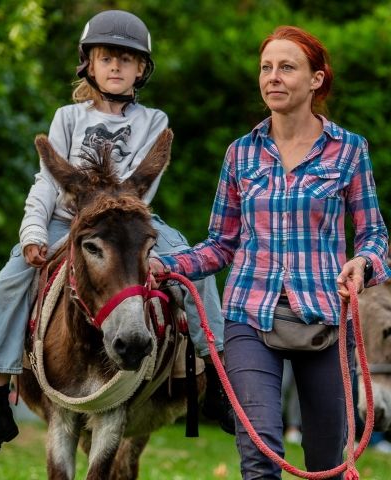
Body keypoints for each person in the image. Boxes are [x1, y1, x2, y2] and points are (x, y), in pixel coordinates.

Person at [0, 10, 231, 464]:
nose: (115, 67)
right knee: (7, 281)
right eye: (106, 58)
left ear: (141, 70)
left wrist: (121, 214)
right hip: (66, 219)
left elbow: (142, 185)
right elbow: (48, 181)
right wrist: (32, 232)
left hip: (127, 221)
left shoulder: (154, 119)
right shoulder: (68, 116)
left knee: (193, 265)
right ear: (88, 64)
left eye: (127, 61)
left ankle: (217, 376)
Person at [150, 25, 391, 479]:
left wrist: (363, 263)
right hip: (249, 316)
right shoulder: (240, 154)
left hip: (325, 319)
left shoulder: (349, 151)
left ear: (316, 79)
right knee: (260, 457)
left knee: (328, 463)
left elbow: (375, 235)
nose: (273, 77)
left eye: (286, 67)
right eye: (266, 68)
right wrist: (165, 265)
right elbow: (220, 245)